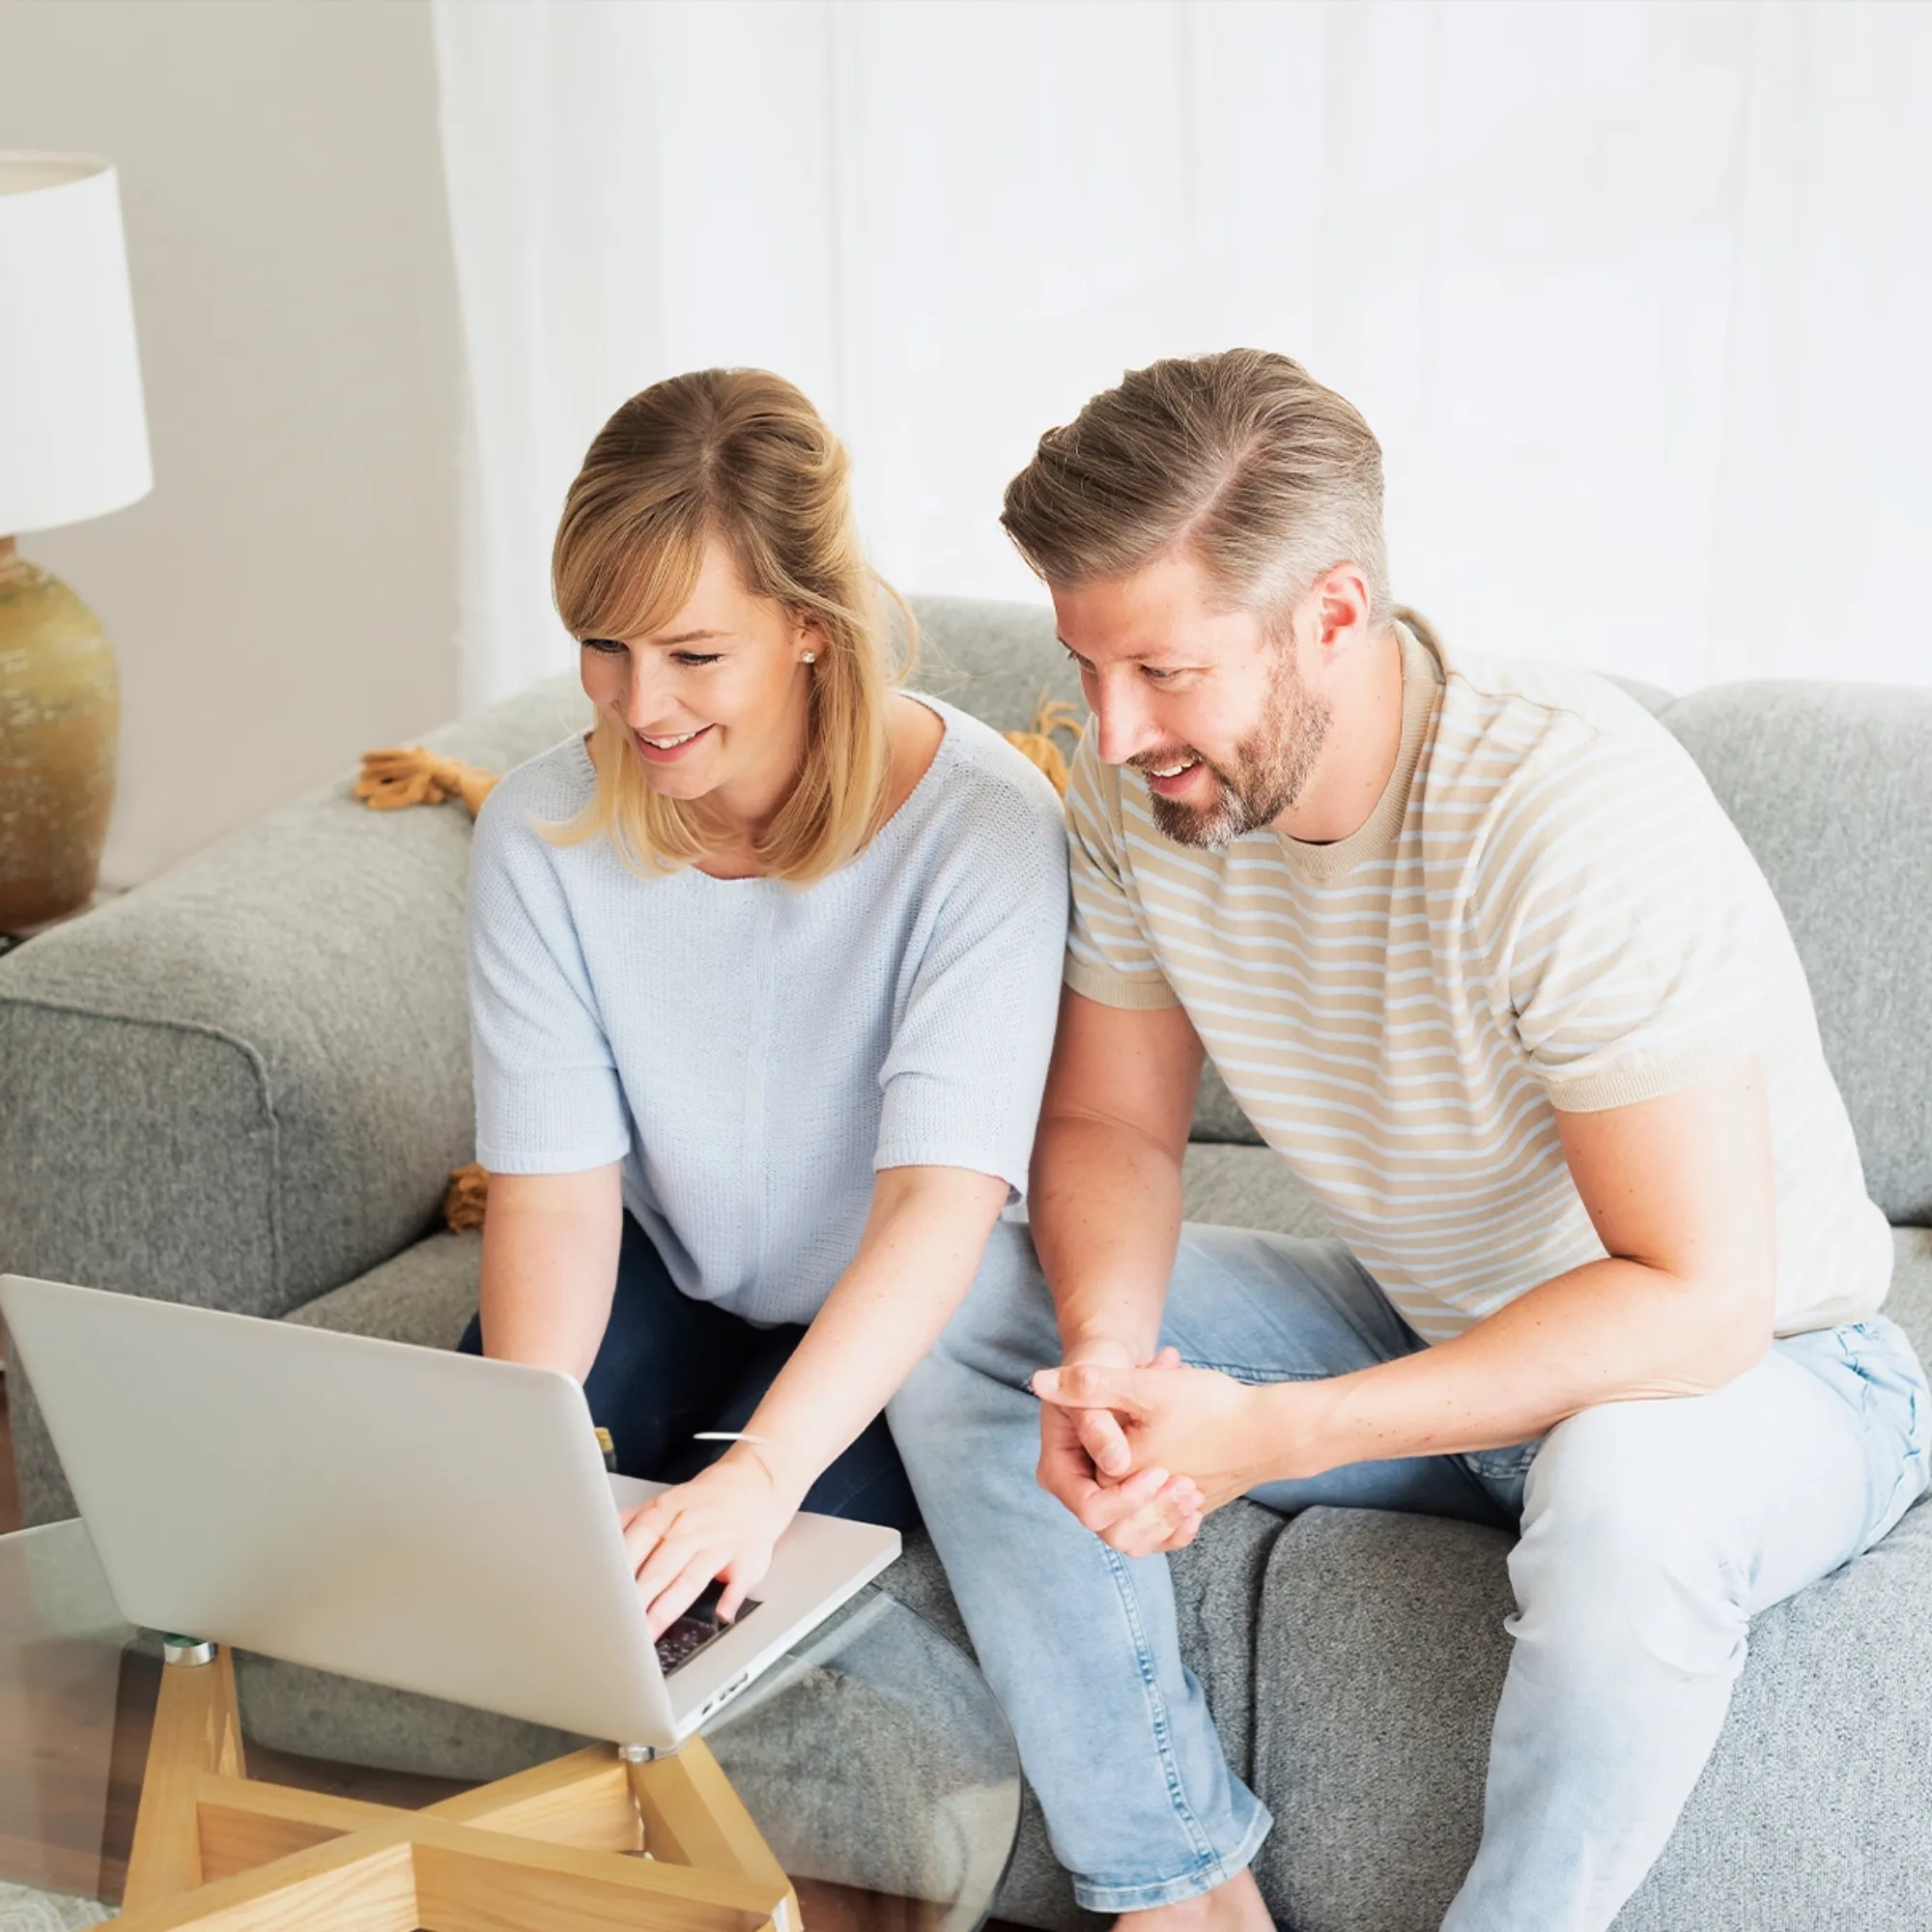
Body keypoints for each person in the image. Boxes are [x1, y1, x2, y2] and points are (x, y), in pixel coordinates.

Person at [887, 348, 1930, 1932]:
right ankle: (1177, 1888)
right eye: (1086, 666)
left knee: (1634, 1497)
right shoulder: (1140, 794)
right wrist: (1113, 1365)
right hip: (1448, 1333)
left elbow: (1697, 1300)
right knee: (966, 1305)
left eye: (1166, 671)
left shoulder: (1562, 815)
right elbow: (1109, 1120)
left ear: (1334, 613)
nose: (1109, 732)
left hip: (1759, 1372)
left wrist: (1280, 1433)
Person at [462, 367, 1067, 1639]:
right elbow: (557, 1193)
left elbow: (933, 1210)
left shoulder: (986, 831)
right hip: (664, 1272)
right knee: (500, 1551)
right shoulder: (537, 831)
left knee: (716, 1598)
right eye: (603, 648)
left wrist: (759, 1477)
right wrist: (528, 1458)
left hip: (901, 1314)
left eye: (693, 655)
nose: (641, 706)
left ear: (809, 624)